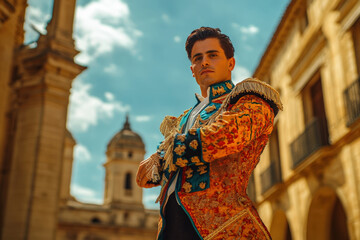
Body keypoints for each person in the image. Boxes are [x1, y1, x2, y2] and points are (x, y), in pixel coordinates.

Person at [136, 27, 283, 240]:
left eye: (213, 55)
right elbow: (147, 177)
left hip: (226, 227)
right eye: (198, 58)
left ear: (230, 63)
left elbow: (223, 137)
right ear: (192, 69)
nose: (205, 62)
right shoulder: (183, 119)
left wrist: (163, 156)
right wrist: (159, 162)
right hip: (170, 229)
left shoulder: (249, 99)